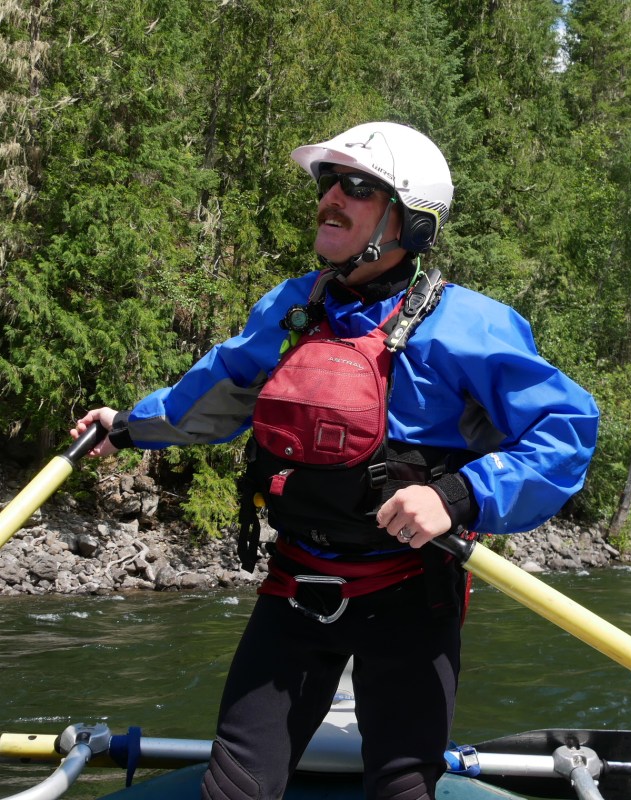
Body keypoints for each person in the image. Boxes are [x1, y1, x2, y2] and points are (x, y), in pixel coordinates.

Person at [71, 121, 599, 800]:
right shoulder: (294, 307)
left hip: (410, 597)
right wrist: (129, 427)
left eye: (358, 187)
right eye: (327, 182)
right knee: (233, 790)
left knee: (403, 789)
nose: (330, 198)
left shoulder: (469, 327)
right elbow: (214, 392)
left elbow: (568, 429)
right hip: (296, 588)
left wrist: (460, 495)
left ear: (409, 221)